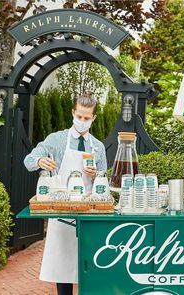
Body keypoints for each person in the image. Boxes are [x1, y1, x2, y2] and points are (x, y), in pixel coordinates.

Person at [24, 93, 107, 295]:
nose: (82, 121)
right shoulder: (57, 140)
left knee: (89, 263)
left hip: (88, 212)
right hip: (61, 210)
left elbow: (104, 182)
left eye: (87, 118)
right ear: (73, 113)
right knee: (62, 267)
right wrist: (40, 161)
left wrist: (97, 175)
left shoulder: (98, 147)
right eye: (79, 116)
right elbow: (28, 160)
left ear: (94, 118)